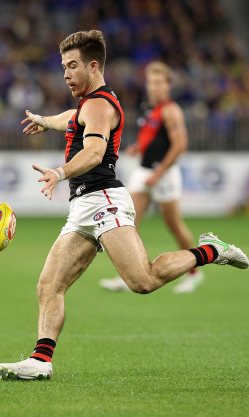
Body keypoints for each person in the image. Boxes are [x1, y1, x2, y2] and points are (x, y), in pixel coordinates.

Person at [0, 30, 249, 381]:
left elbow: (95, 151)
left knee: (142, 280)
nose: (65, 74)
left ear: (93, 65)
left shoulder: (99, 104)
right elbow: (70, 117)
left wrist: (59, 171)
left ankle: (211, 251)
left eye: (71, 66)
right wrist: (44, 120)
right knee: (49, 285)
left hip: (105, 202)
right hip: (83, 207)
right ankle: (41, 361)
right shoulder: (88, 104)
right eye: (63, 66)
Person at [99, 61, 203, 294]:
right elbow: (155, 138)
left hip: (163, 174)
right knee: (128, 222)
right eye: (151, 82)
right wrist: (137, 147)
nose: (154, 87)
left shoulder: (170, 109)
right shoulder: (149, 108)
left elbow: (179, 146)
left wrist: (159, 173)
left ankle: (194, 272)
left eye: (159, 83)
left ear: (167, 85)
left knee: (174, 226)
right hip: (144, 170)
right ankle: (130, 275)